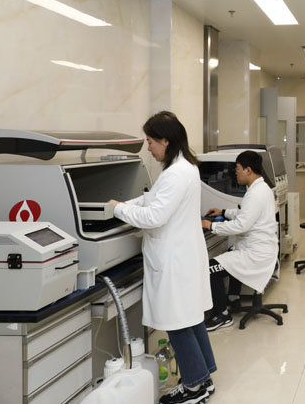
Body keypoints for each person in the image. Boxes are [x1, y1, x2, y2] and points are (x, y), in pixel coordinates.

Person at [109, 111, 215, 404]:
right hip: (182, 256)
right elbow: (154, 198)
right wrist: (125, 203)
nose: (149, 147)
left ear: (166, 140)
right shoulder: (184, 168)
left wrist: (118, 209)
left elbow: (155, 215)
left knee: (177, 322)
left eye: (150, 141)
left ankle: (193, 388)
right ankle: (204, 376)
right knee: (190, 318)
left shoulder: (176, 173)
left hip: (173, 260)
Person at [201, 150, 278, 332]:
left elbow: (241, 225)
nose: (235, 173)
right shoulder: (261, 188)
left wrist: (211, 226)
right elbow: (245, 213)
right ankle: (233, 299)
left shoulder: (256, 194)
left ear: (248, 170)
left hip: (256, 254)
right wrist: (223, 212)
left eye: (237, 169)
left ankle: (222, 315)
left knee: (210, 269)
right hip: (261, 249)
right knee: (231, 254)